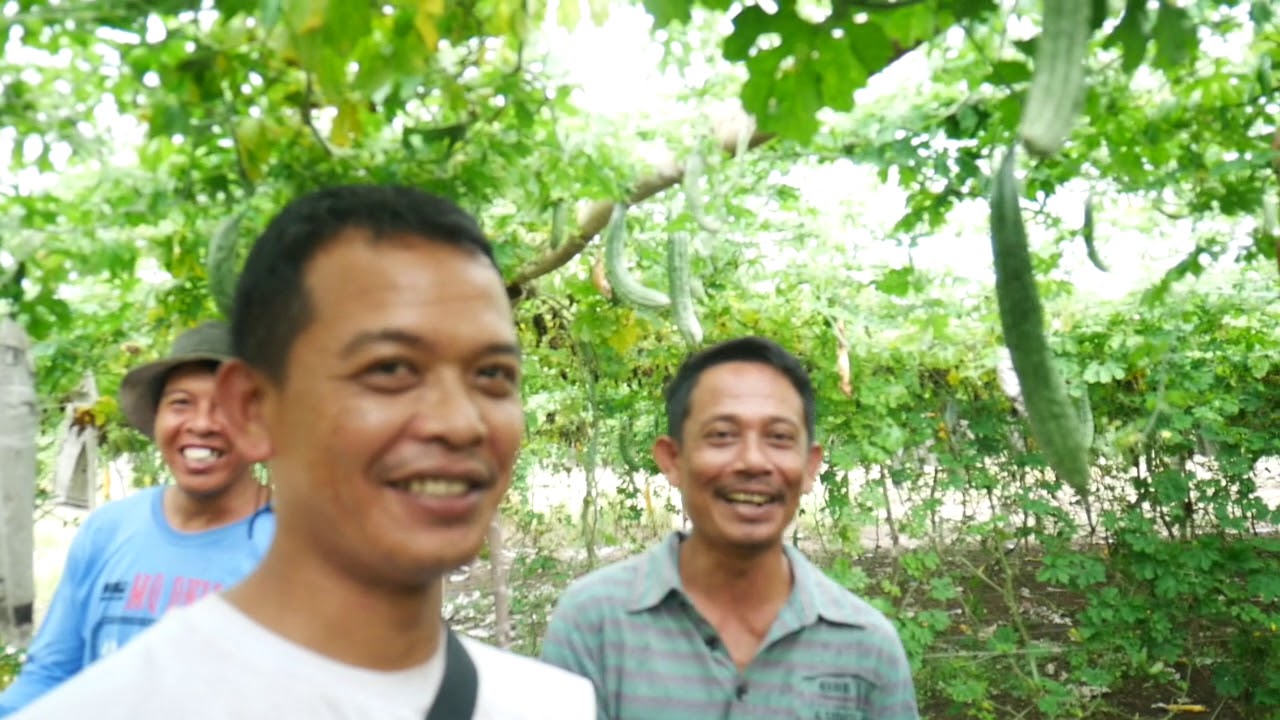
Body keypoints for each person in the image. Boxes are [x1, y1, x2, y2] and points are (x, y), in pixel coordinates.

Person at [11, 185, 595, 719]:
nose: (460, 423)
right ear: (254, 411)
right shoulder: (117, 703)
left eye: (493, 374)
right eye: (390, 368)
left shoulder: (552, 705)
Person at [540, 336, 920, 719]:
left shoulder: (865, 644)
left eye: (779, 438)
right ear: (672, 460)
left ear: (809, 466)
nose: (753, 462)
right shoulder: (594, 622)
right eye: (722, 435)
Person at [0, 321, 274, 716]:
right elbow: (51, 675)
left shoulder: (298, 550)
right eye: (181, 403)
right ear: (158, 417)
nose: (201, 424)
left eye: (227, 407)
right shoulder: (108, 530)